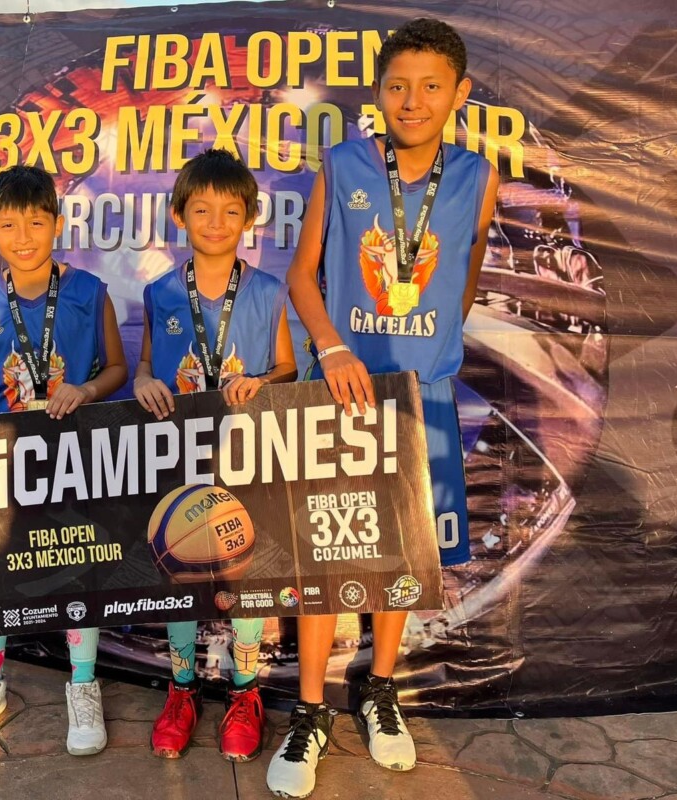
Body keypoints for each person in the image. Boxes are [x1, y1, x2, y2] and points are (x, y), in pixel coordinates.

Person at [266, 18, 499, 798]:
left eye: (431, 86)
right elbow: (301, 276)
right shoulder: (342, 163)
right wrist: (333, 347)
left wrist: (431, 351)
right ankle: (309, 710)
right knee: (326, 560)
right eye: (397, 85)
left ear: (459, 94)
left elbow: (463, 275)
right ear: (377, 92)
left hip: (418, 398)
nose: (412, 100)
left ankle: (380, 690)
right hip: (343, 391)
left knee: (397, 559)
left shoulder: (478, 176)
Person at [0, 164, 128, 756]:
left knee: (77, 566)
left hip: (73, 456)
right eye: (9, 224)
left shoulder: (89, 292)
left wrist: (88, 389)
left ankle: (83, 683)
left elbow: (117, 368)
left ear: (57, 222)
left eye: (36, 222)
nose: (23, 237)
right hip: (1, 459)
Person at [134, 148, 297, 762]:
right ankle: (182, 689)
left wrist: (264, 381)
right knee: (178, 569)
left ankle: (245, 691)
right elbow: (145, 365)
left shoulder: (269, 291)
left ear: (249, 218)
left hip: (245, 455)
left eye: (231, 211)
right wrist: (144, 381)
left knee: (245, 574)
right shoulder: (159, 292)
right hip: (178, 455)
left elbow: (287, 367)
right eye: (201, 209)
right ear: (179, 215)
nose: (216, 222)